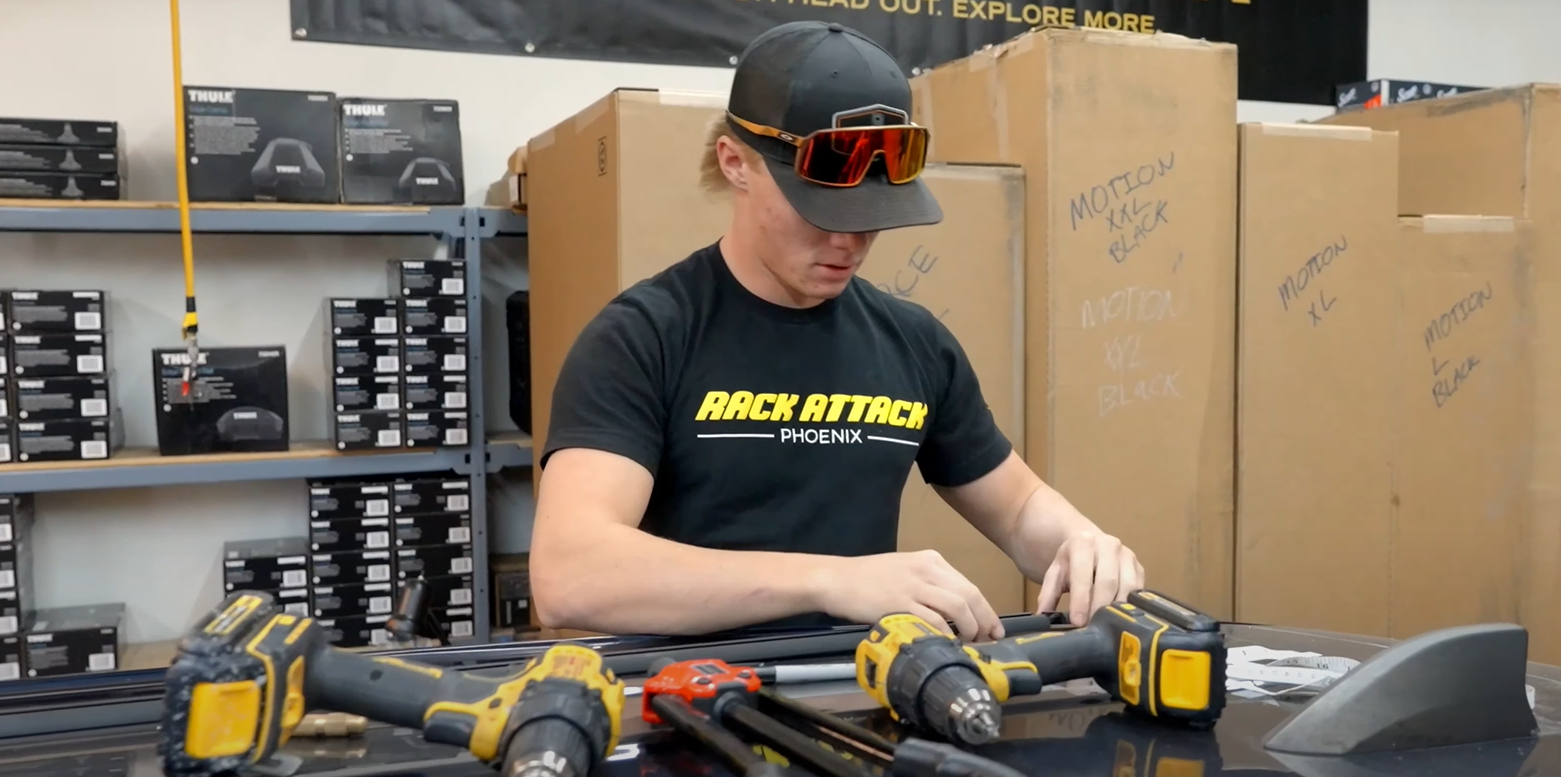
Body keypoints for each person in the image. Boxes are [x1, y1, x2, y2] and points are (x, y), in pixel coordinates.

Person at [529, 20, 1144, 643]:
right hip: (693, 706)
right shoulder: (644, 339)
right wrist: (830, 581)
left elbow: (1016, 509)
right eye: (821, 209)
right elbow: (571, 576)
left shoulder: (913, 344)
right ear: (736, 163)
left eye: (870, 216)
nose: (848, 241)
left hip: (865, 702)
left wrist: (1081, 545)